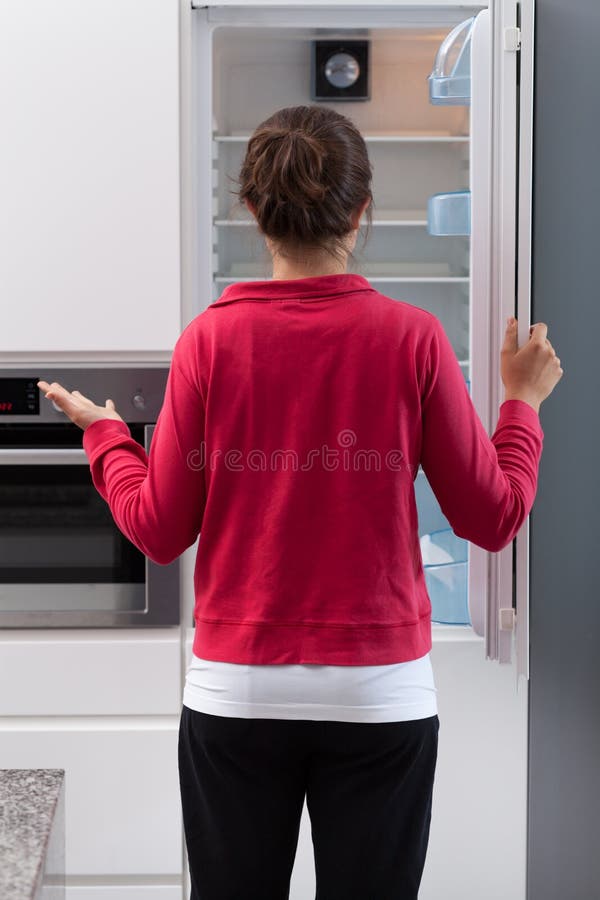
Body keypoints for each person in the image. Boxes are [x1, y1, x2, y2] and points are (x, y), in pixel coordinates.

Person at [38, 104, 563, 900]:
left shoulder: (209, 342)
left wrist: (110, 438)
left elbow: (158, 529)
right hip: (380, 696)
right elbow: (492, 518)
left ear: (251, 211)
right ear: (361, 211)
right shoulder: (413, 338)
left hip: (235, 695)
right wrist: (519, 404)